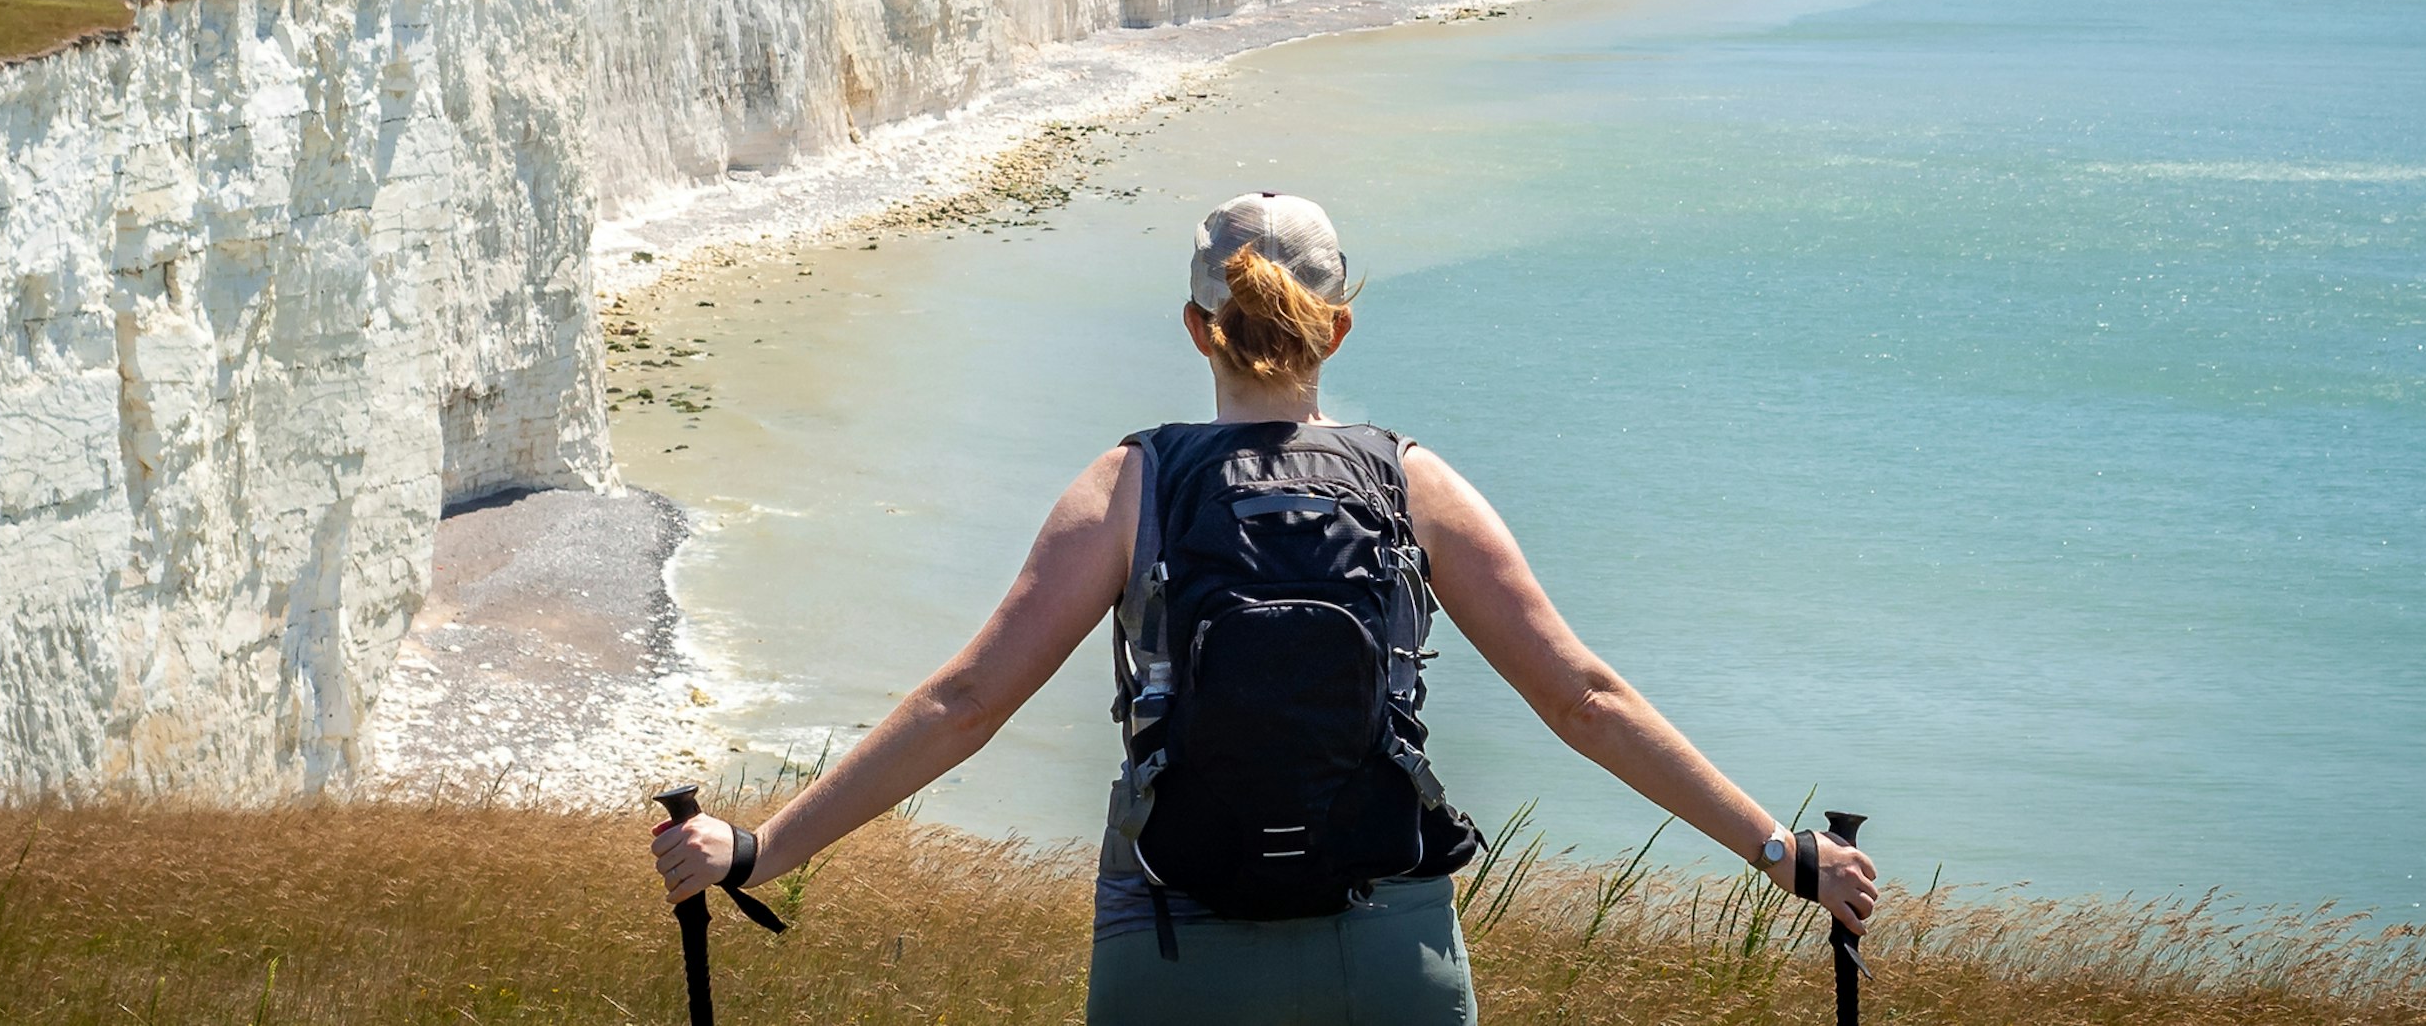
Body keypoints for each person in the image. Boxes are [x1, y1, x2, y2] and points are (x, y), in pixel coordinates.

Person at [651, 192, 1876, 1025]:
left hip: (1168, 929)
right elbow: (1585, 700)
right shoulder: (1412, 482)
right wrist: (1783, 853)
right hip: (1385, 935)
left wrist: (761, 846)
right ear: (1337, 325)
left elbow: (966, 702)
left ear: (1199, 329)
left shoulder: (1128, 483)